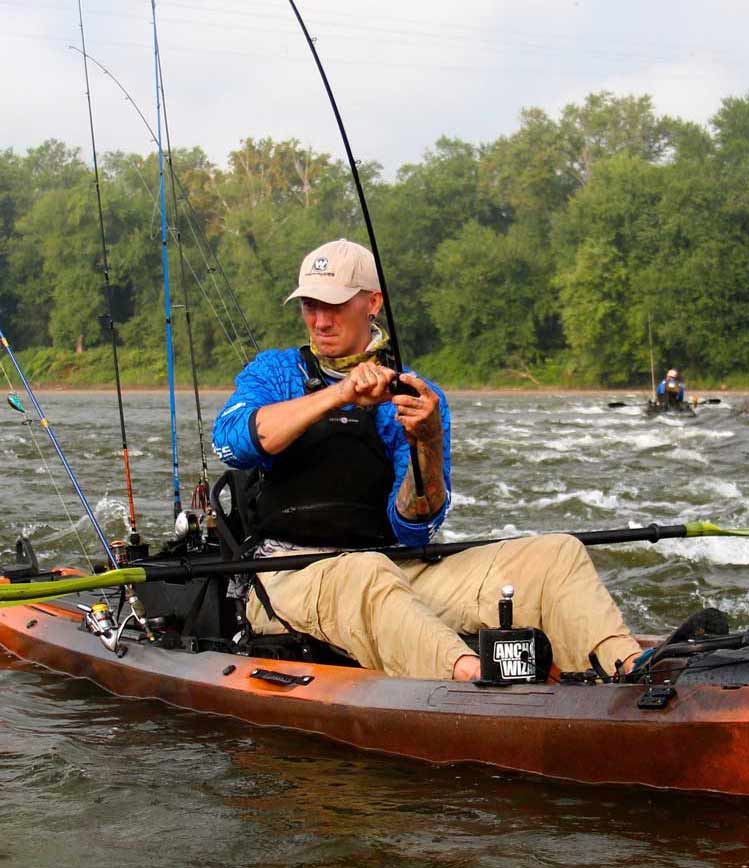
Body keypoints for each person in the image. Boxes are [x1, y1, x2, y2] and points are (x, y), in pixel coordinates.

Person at [211, 238, 645, 682]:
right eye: (310, 305)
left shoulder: (416, 396)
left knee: (556, 554)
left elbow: (415, 528)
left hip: (393, 571)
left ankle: (630, 668)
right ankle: (476, 679)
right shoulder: (275, 372)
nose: (320, 321)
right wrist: (339, 394)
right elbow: (230, 443)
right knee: (365, 573)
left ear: (372, 303)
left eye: (335, 306)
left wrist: (427, 442)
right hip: (286, 578)